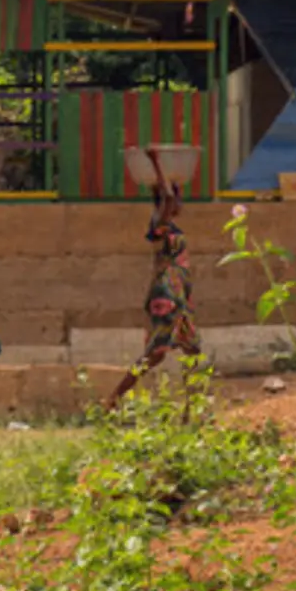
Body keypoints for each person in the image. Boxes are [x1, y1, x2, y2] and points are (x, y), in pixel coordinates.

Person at [104, 150, 199, 409]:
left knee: (192, 352)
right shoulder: (158, 222)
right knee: (155, 354)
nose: (180, 203)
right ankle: (113, 399)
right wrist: (157, 164)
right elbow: (166, 197)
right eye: (178, 198)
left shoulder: (170, 227)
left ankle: (191, 412)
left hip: (179, 296)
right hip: (166, 295)